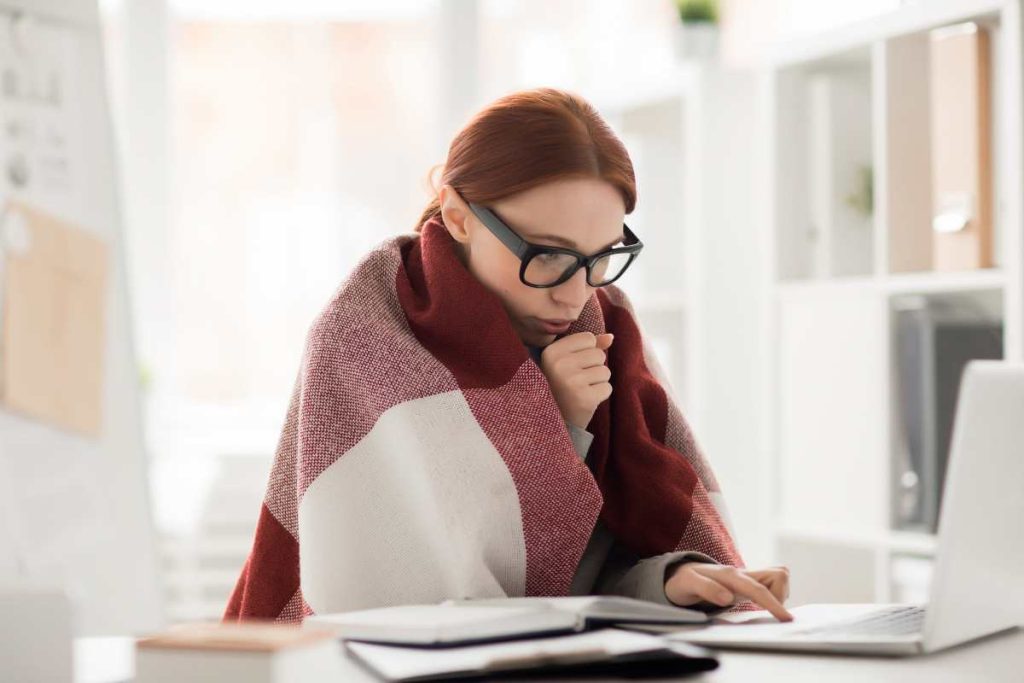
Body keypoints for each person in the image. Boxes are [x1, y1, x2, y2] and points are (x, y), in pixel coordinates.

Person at [224, 86, 791, 625]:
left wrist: (674, 580)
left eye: (601, 257)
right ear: (458, 214)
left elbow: (581, 582)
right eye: (547, 255)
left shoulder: (608, 323)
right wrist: (558, 421)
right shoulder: (365, 337)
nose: (574, 293)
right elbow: (442, 597)